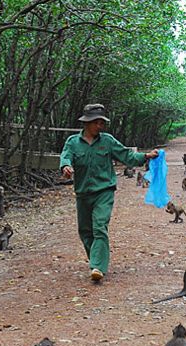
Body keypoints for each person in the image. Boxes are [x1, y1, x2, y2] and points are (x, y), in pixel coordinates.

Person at [59, 104, 159, 282]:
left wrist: (146, 156)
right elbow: (66, 156)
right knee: (85, 231)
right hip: (83, 192)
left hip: (104, 191)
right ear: (87, 123)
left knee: (99, 227)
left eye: (102, 122)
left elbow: (126, 156)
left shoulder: (108, 141)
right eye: (96, 122)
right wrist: (66, 166)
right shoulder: (73, 142)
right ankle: (97, 258)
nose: (100, 126)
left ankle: (97, 266)